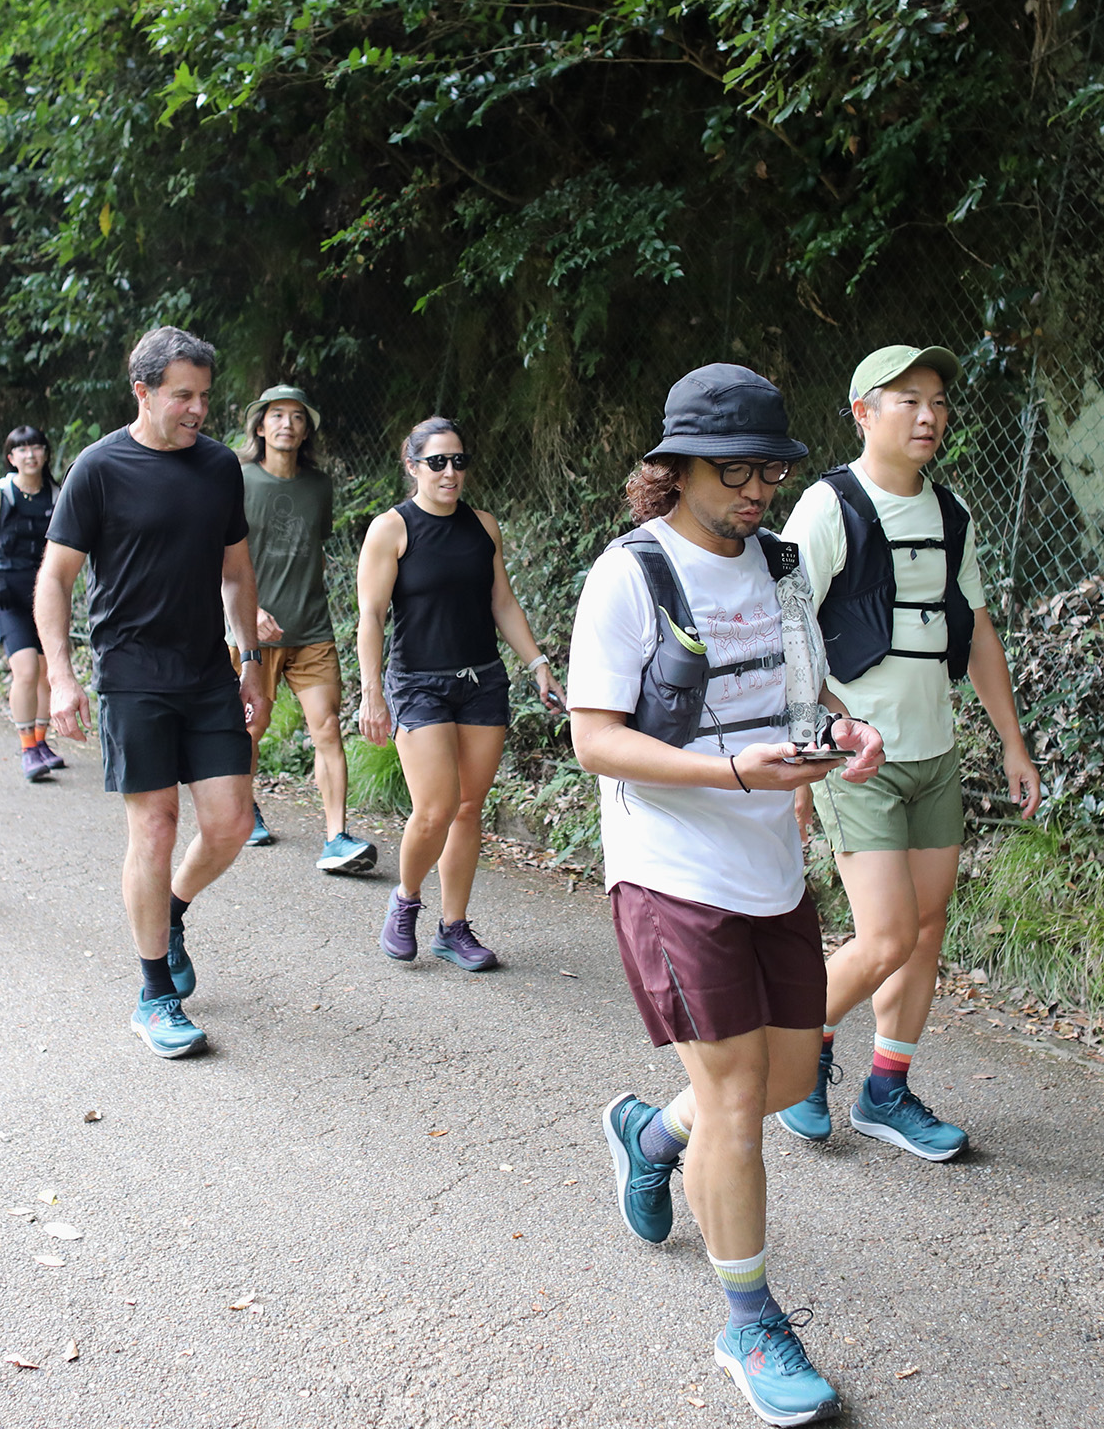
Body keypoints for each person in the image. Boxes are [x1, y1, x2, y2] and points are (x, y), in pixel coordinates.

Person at [567, 363, 885, 1428]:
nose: (757, 491)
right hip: (670, 869)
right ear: (678, 468)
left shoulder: (781, 566)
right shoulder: (631, 576)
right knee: (743, 1101)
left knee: (790, 1068)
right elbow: (593, 737)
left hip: (768, 865)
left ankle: (651, 1139)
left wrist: (842, 724)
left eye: (770, 470)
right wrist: (735, 772)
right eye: (736, 471)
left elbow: (798, 683)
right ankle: (750, 1321)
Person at [773, 345, 1042, 1161]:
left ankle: (886, 1091)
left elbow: (980, 630)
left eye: (938, 401)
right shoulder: (824, 508)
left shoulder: (951, 512)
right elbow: (786, 636)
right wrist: (804, 749)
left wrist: (1011, 741)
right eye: (907, 400)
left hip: (936, 753)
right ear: (864, 412)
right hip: (858, 759)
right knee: (885, 936)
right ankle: (800, 1054)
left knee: (925, 932)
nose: (929, 416)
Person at [35, 325, 269, 1060]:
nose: (199, 408)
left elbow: (236, 573)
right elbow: (54, 578)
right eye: (183, 395)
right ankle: (153, 995)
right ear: (143, 391)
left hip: (206, 670)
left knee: (230, 822)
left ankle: (169, 913)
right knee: (155, 827)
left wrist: (251, 659)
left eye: (204, 395)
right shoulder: (99, 469)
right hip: (131, 671)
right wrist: (61, 673)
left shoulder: (220, 467)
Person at [356, 417, 564, 971]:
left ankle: (454, 928)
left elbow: (503, 602)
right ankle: (406, 901)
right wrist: (372, 692)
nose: (451, 472)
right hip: (417, 681)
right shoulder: (391, 529)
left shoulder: (483, 526)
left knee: (468, 808)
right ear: (413, 466)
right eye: (437, 462)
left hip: (481, 681)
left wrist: (538, 664)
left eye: (458, 461)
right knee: (437, 806)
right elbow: (371, 617)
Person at [232, 384, 377, 875]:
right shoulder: (238, 479)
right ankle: (242, 809)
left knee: (328, 729)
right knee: (251, 728)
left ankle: (336, 836)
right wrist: (248, 614)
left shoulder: (319, 486)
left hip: (312, 629)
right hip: (253, 636)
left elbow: (310, 549)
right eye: (276, 415)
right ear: (259, 425)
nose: (287, 424)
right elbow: (211, 554)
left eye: (297, 416)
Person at [0, 425, 68, 783]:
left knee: (45, 673)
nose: (30, 455)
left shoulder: (58, 495)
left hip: (47, 593)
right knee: (25, 670)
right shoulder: (1, 494)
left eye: (36, 448)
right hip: (8, 594)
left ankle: (41, 743)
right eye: (21, 450)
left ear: (45, 453)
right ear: (11, 457)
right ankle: (27, 747)